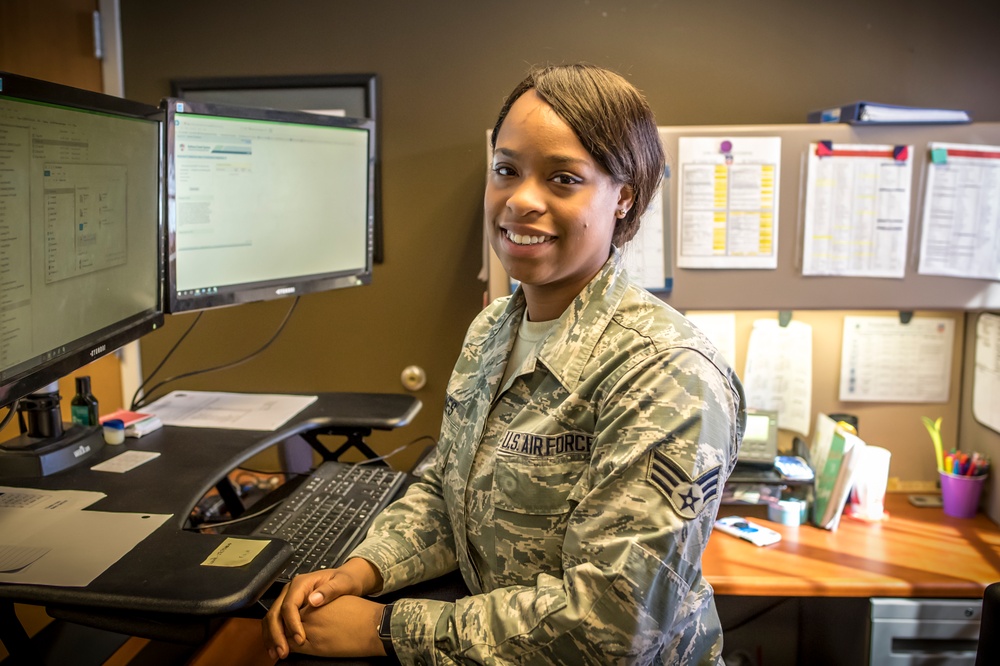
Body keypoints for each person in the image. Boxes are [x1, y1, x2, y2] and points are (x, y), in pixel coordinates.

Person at [262, 63, 746, 665]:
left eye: (563, 178)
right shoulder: (493, 328)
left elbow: (613, 627)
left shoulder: (665, 373)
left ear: (623, 197)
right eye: (506, 170)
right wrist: (364, 570)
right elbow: (449, 491)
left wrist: (386, 629)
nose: (520, 199)